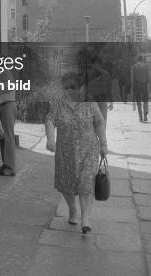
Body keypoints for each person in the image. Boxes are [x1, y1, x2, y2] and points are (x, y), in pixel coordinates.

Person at [45, 71, 108, 234]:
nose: (69, 91)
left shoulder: (89, 102)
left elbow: (99, 123)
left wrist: (103, 144)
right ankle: (73, 209)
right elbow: (50, 120)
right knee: (66, 183)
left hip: (88, 151)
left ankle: (85, 219)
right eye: (65, 88)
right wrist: (50, 139)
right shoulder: (58, 103)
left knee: (86, 183)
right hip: (65, 152)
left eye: (72, 87)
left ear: (79, 87)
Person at [0, 68, 16, 176]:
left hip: (8, 105)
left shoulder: (5, 72)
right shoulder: (0, 73)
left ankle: (10, 168)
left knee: (8, 136)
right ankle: (6, 164)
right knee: (3, 136)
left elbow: (9, 87)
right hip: (3, 105)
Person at [88, 56, 113, 122]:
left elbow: (109, 89)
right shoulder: (90, 74)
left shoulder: (106, 74)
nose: (95, 66)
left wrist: (111, 102)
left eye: (96, 64)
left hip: (102, 101)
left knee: (102, 121)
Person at [132, 55, 149, 122]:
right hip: (144, 85)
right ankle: (145, 114)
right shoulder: (146, 66)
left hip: (137, 85)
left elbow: (133, 78)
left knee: (138, 101)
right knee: (145, 100)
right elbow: (148, 76)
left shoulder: (135, 66)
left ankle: (140, 117)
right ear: (142, 59)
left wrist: (133, 88)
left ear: (137, 59)